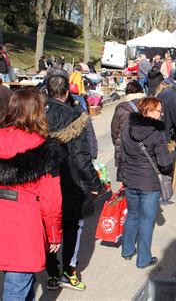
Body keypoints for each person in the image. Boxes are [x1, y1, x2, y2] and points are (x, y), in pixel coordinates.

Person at [0, 88, 63, 301]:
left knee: (22, 284)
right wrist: (54, 233)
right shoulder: (42, 146)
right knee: (16, 286)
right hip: (23, 224)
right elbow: (51, 199)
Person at [45, 74, 102, 291]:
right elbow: (81, 158)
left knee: (47, 226)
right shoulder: (75, 117)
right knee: (72, 227)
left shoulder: (34, 115)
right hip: (70, 181)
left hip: (44, 180)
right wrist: (95, 184)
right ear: (67, 93)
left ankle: (51, 272)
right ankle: (68, 272)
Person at [119, 97, 173, 268]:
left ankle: (127, 250)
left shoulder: (127, 127)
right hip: (149, 182)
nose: (161, 114)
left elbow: (122, 154)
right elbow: (165, 164)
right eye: (159, 110)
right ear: (149, 112)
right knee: (146, 220)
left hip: (130, 178)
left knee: (133, 215)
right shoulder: (156, 134)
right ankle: (143, 259)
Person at [111, 81, 146, 182]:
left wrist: (117, 144)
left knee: (127, 180)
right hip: (144, 147)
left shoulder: (121, 108)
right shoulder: (148, 105)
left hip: (125, 149)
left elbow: (115, 131)